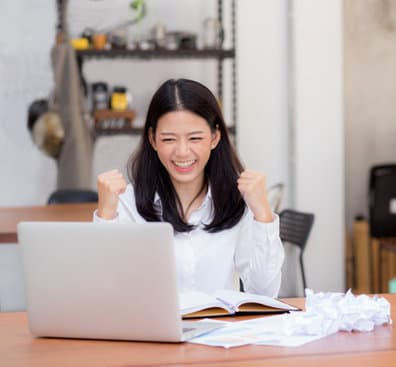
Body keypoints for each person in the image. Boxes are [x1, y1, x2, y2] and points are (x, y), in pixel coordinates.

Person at [94, 79, 283, 297]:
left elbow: (264, 293)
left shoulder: (238, 202)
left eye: (194, 138)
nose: (182, 152)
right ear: (153, 140)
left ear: (215, 137)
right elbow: (104, 293)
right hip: (152, 330)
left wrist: (263, 215)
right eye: (169, 139)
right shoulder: (126, 203)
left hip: (222, 330)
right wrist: (105, 216)